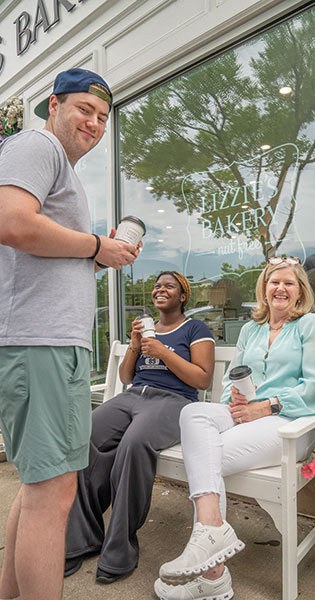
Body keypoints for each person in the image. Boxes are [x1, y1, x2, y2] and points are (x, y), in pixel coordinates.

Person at [0, 68, 140, 600]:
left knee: (39, 489)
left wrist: (96, 256)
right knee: (52, 496)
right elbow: (10, 221)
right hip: (41, 342)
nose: (95, 123)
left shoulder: (61, 169)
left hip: (52, 344)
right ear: (53, 105)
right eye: (85, 109)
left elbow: (44, 246)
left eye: (103, 117)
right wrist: (93, 246)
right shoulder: (36, 144)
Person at [155, 257, 315, 600]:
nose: (280, 288)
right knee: (194, 413)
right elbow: (226, 384)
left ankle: (213, 576)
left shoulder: (308, 325)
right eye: (273, 282)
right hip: (244, 414)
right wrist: (234, 400)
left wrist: (265, 406)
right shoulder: (251, 330)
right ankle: (213, 535)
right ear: (264, 289)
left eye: (288, 283)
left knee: (206, 457)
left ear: (299, 292)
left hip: (289, 422)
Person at [64, 271, 215, 584]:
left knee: (133, 444)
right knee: (85, 435)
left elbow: (202, 379)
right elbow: (126, 377)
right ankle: (84, 538)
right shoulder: (147, 330)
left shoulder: (195, 328)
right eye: (157, 285)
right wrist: (135, 344)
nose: (161, 288)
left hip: (174, 402)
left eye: (169, 286)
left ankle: (119, 547)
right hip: (133, 396)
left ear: (183, 296)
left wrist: (163, 352)